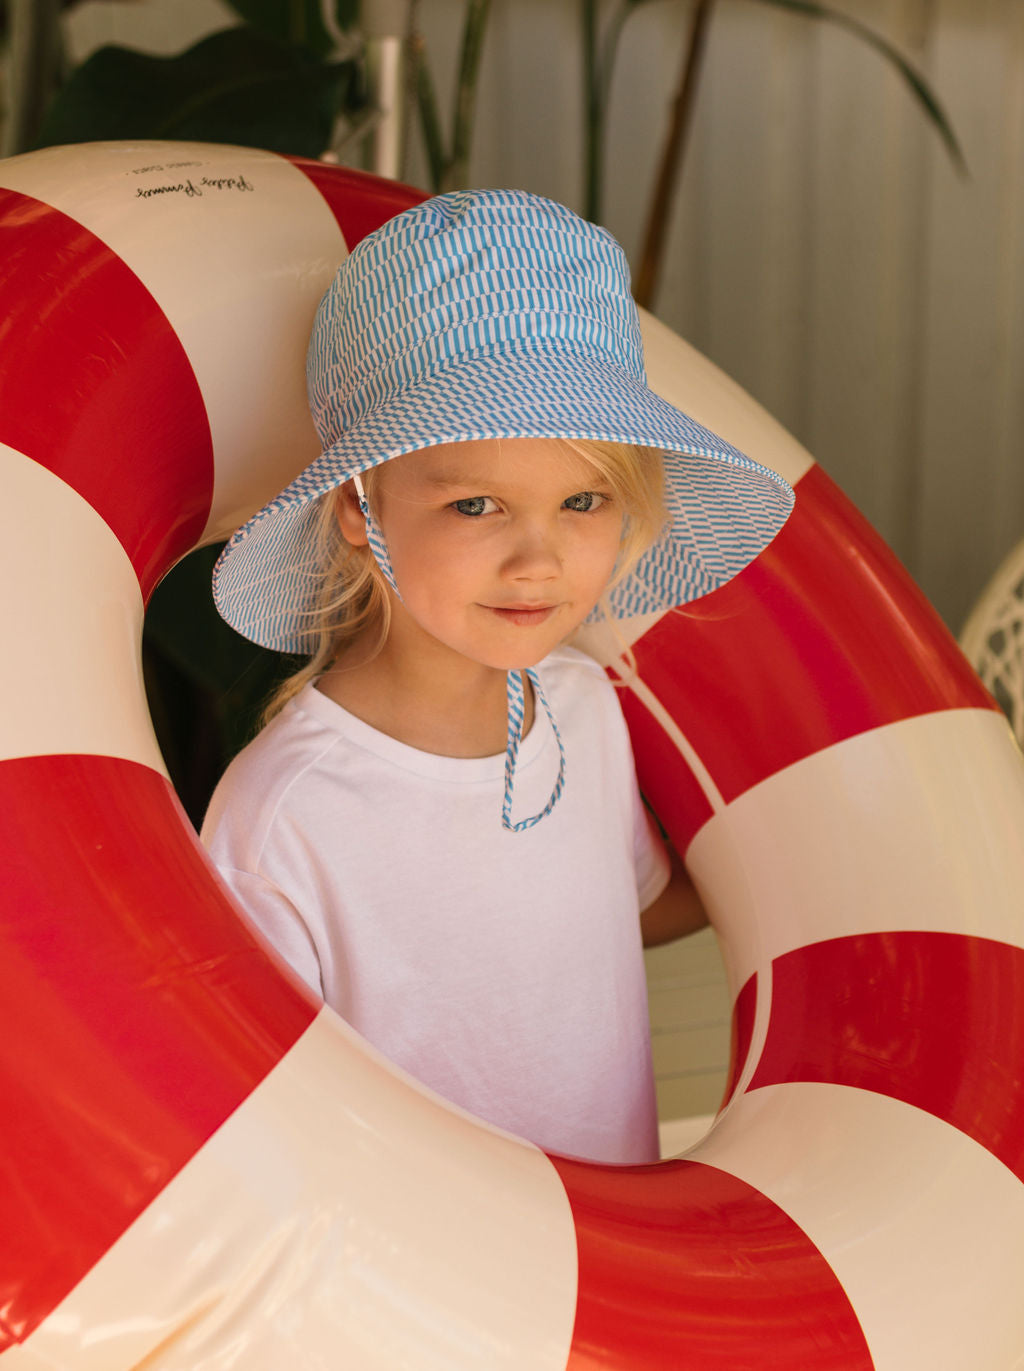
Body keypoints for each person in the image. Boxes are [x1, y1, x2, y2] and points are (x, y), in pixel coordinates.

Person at [203, 189, 793, 1164]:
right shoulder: (283, 821)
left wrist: (821, 867)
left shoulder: (583, 710)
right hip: (415, 1301)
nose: (538, 561)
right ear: (361, 508)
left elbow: (615, 913)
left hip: (620, 1267)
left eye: (582, 500)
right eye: (476, 505)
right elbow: (262, 1128)